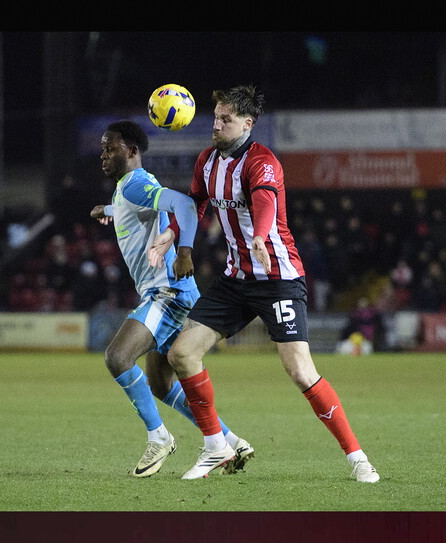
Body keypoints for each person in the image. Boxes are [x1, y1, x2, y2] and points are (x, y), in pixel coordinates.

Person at [149, 85, 380, 482]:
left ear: (247, 124)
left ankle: (358, 457)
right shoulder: (207, 161)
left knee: (300, 372)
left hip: (278, 277)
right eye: (216, 117)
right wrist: (173, 232)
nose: (216, 125)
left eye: (226, 119)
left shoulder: (263, 161)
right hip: (237, 278)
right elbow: (195, 204)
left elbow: (267, 201)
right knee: (182, 354)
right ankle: (216, 447)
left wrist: (259, 234)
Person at [90, 120, 253, 478]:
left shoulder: (136, 183)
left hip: (168, 292)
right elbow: (147, 211)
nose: (103, 154)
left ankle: (159, 438)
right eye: (102, 148)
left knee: (118, 357)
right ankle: (229, 440)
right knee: (161, 383)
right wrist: (110, 210)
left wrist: (184, 252)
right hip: (173, 292)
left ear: (131, 152)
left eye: (110, 147)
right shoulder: (126, 190)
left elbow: (182, 204)